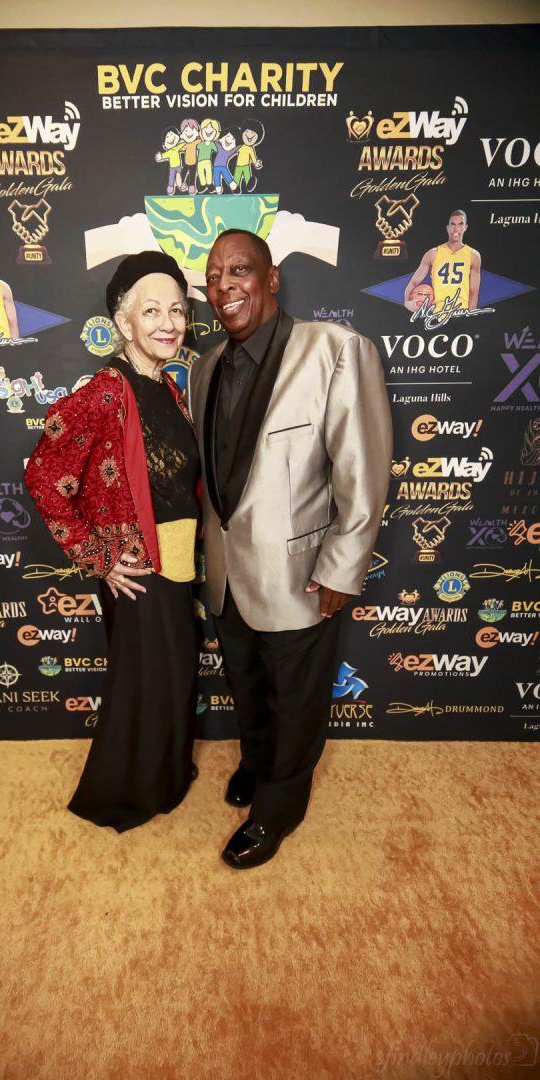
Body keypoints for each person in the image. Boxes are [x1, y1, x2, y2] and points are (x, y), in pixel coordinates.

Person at [188, 229, 393, 869]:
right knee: (247, 685)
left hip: (302, 574)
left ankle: (278, 809)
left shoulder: (335, 350)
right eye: (214, 276)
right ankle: (257, 762)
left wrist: (342, 568)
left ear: (271, 278)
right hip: (227, 574)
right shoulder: (203, 367)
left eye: (240, 271)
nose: (225, 286)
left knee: (296, 699)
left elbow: (363, 472)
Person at [24, 251, 200, 832]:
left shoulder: (168, 387)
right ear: (123, 322)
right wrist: (97, 556)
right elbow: (43, 476)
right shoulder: (105, 391)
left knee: (174, 677)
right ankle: (127, 792)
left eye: (177, 310)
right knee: (145, 685)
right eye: (151, 311)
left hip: (178, 563)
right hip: (139, 569)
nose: (168, 323)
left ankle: (165, 777)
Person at [403, 209, 481, 312]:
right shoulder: (432, 254)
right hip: (437, 313)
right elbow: (413, 282)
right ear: (447, 228)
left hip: (460, 312)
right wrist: (406, 302)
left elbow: (474, 292)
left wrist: (469, 316)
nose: (456, 229)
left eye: (460, 224)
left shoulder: (473, 255)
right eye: (453, 224)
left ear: (465, 227)